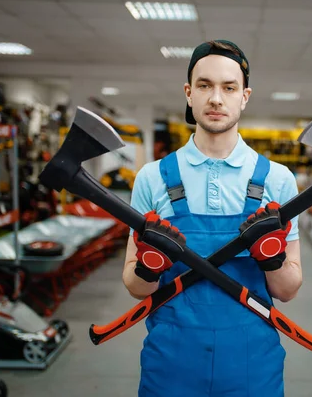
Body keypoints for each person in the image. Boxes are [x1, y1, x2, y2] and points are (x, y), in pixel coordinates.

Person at [123, 39, 302, 397]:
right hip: (171, 362)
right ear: (189, 94)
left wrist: (273, 260)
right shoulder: (152, 178)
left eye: (229, 87)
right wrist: (148, 266)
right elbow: (134, 287)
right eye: (204, 86)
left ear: (244, 97)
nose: (216, 98)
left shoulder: (277, 179)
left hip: (253, 363)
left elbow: (287, 290)